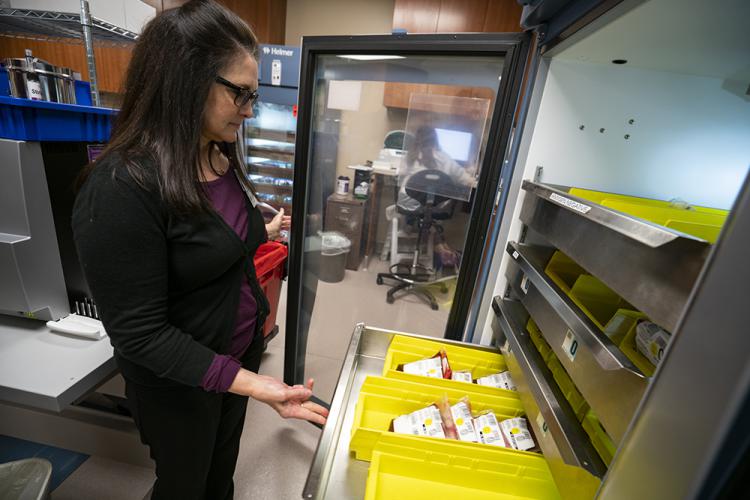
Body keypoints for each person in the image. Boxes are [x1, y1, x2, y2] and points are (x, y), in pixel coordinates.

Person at [71, 2, 327, 499]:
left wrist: (263, 228)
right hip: (181, 381)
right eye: (241, 95)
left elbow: (218, 238)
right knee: (184, 485)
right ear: (186, 80)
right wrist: (259, 385)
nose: (250, 110)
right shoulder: (121, 188)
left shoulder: (216, 151)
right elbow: (141, 334)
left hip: (234, 360)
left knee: (218, 479)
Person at [397, 125, 476, 211]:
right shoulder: (444, 158)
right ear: (435, 140)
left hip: (408, 203)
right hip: (435, 206)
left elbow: (400, 173)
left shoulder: (410, 156)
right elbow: (466, 179)